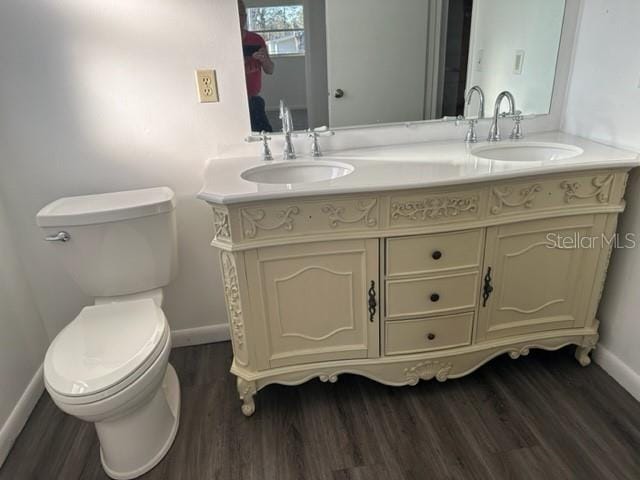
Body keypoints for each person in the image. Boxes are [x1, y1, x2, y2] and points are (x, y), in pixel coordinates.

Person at [239, 0, 275, 132]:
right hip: (233, 100)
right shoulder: (224, 40)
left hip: (254, 99)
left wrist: (265, 60)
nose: (241, 18)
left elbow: (270, 70)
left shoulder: (256, 39)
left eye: (243, 14)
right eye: (237, 14)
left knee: (266, 135)